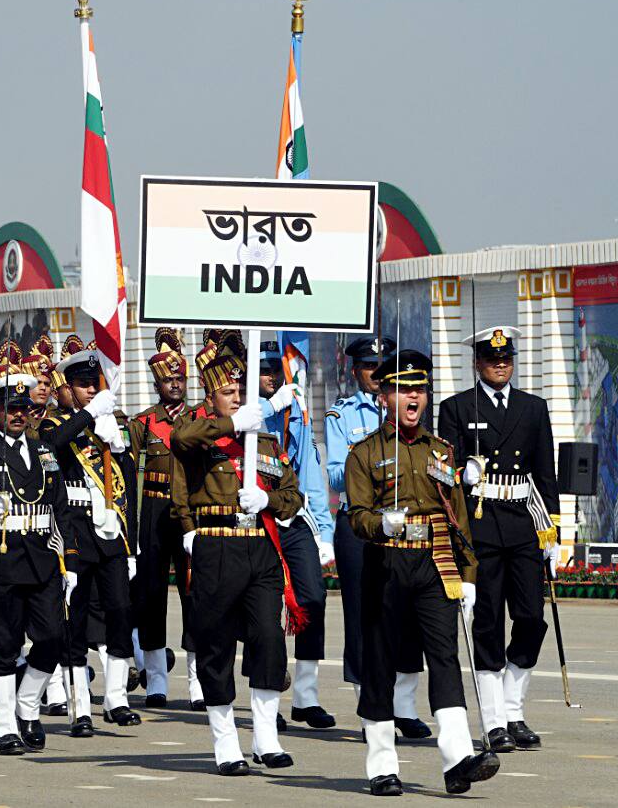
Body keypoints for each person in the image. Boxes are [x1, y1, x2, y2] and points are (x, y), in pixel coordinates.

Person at [346, 349, 499, 796]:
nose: (414, 397)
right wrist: (381, 523)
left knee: (444, 657)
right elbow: (356, 515)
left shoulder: (441, 451)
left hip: (434, 563)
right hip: (386, 562)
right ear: (384, 396)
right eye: (403, 390)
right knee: (381, 662)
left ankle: (457, 760)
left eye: (419, 390)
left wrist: (469, 574)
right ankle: (381, 765)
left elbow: (460, 519)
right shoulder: (365, 453)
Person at [170, 332, 300, 775]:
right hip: (217, 545)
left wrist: (270, 503)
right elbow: (180, 438)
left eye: (240, 392)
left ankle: (266, 737)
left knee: (268, 639)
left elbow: (291, 494)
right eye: (227, 393)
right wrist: (231, 424)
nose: (236, 399)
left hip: (259, 547)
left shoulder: (264, 442)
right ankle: (225, 741)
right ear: (210, 396)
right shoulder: (202, 433)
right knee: (216, 644)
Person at [437, 327, 558, 752]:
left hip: (524, 524)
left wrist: (552, 529)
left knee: (531, 619)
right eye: (491, 359)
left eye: (506, 358)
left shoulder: (533, 407)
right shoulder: (455, 408)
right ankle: (494, 722)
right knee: (486, 623)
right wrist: (459, 474)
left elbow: (545, 469)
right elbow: (443, 472)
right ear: (478, 363)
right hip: (482, 524)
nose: (500, 364)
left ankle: (513, 708)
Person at [0, 365, 74, 754]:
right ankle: (4, 727)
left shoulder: (45, 450)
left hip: (43, 559)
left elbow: (60, 507)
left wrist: (69, 561)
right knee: (5, 645)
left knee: (53, 639)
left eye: (25, 407)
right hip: (2, 563)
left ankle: (28, 706)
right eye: (11, 408)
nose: (19, 414)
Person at [325, 336, 430, 739]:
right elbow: (336, 474)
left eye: (382, 368)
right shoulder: (342, 415)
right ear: (356, 372)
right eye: (369, 367)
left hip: (405, 525)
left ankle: (403, 705)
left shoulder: (408, 410)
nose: (376, 374)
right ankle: (371, 705)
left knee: (407, 616)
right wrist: (370, 465)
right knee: (363, 616)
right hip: (361, 523)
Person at [39, 341, 139, 733]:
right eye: (83, 385)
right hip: (75, 529)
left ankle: (116, 699)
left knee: (118, 613)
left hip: (110, 530)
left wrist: (119, 445)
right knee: (75, 618)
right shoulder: (53, 422)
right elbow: (53, 444)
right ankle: (80, 706)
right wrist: (87, 416)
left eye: (95, 384)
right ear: (66, 388)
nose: (91, 392)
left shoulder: (111, 422)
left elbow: (128, 483)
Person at [255, 340, 335, 731]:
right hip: (255, 520)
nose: (270, 377)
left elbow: (310, 471)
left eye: (275, 369)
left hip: (294, 516)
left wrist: (324, 531)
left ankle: (306, 695)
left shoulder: (295, 410)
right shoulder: (247, 412)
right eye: (263, 370)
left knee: (313, 599)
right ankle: (269, 696)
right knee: (266, 611)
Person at [125, 329, 190, 709]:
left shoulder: (200, 416)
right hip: (153, 508)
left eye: (179, 379)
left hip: (189, 511)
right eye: (168, 380)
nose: (175, 386)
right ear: (156, 384)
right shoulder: (143, 423)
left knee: (193, 592)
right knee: (151, 597)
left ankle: (198, 684)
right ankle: (156, 682)